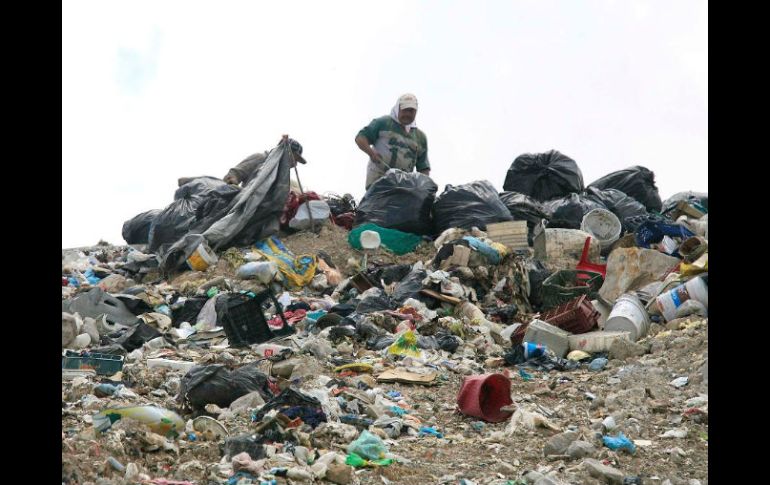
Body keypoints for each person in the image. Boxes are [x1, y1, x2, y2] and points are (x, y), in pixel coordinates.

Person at [355, 93, 430, 190]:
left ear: (416, 112)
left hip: (403, 187)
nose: (407, 114)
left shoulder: (420, 137)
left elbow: (423, 167)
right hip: (379, 181)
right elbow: (360, 138)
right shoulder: (383, 123)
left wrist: (422, 187)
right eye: (405, 110)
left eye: (411, 111)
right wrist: (371, 153)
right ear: (398, 108)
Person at [222, 136, 307, 186]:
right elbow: (234, 174)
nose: (295, 164)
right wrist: (233, 183)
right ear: (282, 152)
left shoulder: (282, 176)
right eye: (294, 159)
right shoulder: (260, 159)